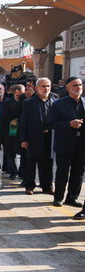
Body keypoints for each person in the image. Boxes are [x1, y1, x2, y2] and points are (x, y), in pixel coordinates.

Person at [48, 77, 85, 208]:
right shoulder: (58, 104)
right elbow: (51, 123)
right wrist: (69, 124)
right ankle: (58, 197)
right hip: (65, 144)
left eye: (80, 85)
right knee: (62, 172)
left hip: (81, 145)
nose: (78, 87)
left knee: (78, 173)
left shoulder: (84, 102)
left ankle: (72, 197)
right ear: (68, 88)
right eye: (75, 85)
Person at [20, 78, 55, 196]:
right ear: (36, 88)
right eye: (43, 86)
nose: (46, 89)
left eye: (48, 86)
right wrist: (24, 139)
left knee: (47, 163)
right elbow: (24, 122)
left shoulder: (55, 102)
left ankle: (47, 186)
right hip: (33, 138)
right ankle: (29, 185)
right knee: (31, 163)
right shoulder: (29, 103)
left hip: (50, 137)